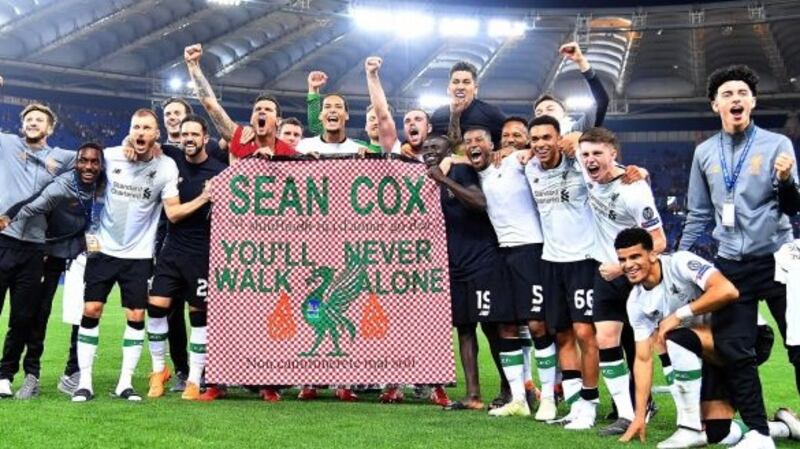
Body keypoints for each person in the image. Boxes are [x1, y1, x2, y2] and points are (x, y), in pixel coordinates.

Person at [679, 65, 799, 449]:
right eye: (728, 94)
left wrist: (785, 181)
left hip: (781, 260)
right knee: (736, 351)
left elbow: (792, 207)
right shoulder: (704, 152)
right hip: (731, 264)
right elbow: (698, 212)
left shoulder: (777, 145)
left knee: (799, 347)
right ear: (716, 104)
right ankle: (761, 434)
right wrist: (681, 259)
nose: (736, 99)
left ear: (753, 102)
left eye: (742, 93)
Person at [615, 228, 800, 448]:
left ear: (652, 254)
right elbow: (643, 360)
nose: (628, 264)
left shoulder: (679, 263)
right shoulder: (636, 302)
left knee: (677, 337)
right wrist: (638, 416)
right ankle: (783, 427)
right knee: (718, 434)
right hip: (707, 351)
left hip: (748, 336)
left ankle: (688, 427)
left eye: (635, 256)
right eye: (622, 259)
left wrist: (679, 315)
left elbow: (726, 290)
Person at [72, 109, 179, 402]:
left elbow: (170, 206)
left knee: (135, 315)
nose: (141, 132)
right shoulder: (110, 156)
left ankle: (124, 383)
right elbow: (83, 167)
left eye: (147, 128)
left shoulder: (167, 166)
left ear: (156, 134)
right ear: (130, 131)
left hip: (139, 254)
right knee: (91, 310)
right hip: (103, 249)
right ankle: (85, 382)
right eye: (136, 127)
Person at [578, 127, 666, 436]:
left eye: (597, 154)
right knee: (605, 339)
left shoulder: (634, 189)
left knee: (651, 344)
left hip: (632, 277)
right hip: (604, 274)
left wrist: (621, 267)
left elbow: (659, 240)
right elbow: (563, 137)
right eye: (585, 154)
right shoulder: (587, 172)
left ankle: (691, 411)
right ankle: (627, 415)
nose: (590, 160)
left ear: (613, 154)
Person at [0, 142, 103, 399]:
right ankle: (31, 374)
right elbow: (35, 204)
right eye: (83, 161)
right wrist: (7, 218)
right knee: (38, 313)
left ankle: (72, 373)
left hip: (88, 253)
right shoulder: (63, 184)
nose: (89, 166)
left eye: (94, 162)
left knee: (86, 313)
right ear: (76, 161)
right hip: (53, 251)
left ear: (102, 164)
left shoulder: (108, 180)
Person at [465, 126, 555, 418]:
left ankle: (549, 398)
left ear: (494, 144)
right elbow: (452, 156)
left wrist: (522, 151)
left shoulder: (518, 162)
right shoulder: (475, 173)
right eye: (468, 142)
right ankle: (518, 399)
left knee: (538, 324)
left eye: (480, 139)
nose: (473, 145)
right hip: (500, 254)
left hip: (531, 249)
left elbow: (566, 145)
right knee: (505, 325)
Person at [524, 115, 600, 426]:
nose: (540, 144)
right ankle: (573, 406)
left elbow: (602, 156)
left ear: (559, 138)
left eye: (546, 138)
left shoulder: (579, 163)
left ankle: (591, 403)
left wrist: (580, 139)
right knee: (563, 333)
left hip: (583, 259)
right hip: (551, 261)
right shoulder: (529, 168)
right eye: (535, 139)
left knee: (586, 333)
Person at [146, 115, 224, 401]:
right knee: (156, 308)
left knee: (198, 316)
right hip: (171, 249)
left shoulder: (220, 170)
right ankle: (158, 371)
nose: (188, 139)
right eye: (184, 134)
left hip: (203, 253)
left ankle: (193, 379)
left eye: (195, 134)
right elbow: (173, 214)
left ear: (206, 138)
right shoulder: (171, 161)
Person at [0, 103, 75, 398]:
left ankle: (5, 375)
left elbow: (96, 158)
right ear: (22, 124)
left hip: (33, 248)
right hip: (2, 240)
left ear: (50, 128)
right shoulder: (6, 143)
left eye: (39, 120)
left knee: (21, 317)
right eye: (29, 119)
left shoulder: (61, 157)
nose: (32, 122)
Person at [184, 44, 289, 163]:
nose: (262, 111)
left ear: (278, 121)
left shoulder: (288, 153)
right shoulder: (239, 137)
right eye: (257, 109)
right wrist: (193, 66)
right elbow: (211, 105)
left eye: (268, 110)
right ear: (251, 119)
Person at [533, 41, 609, 134]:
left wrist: (581, 61)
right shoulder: (529, 142)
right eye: (539, 113)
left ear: (564, 114)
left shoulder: (576, 130)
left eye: (550, 109)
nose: (544, 114)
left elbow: (601, 101)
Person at [430, 61, 505, 148]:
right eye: (455, 82)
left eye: (466, 82)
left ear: (475, 89)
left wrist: (506, 150)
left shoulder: (491, 113)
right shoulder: (438, 115)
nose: (460, 87)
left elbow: (513, 134)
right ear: (448, 89)